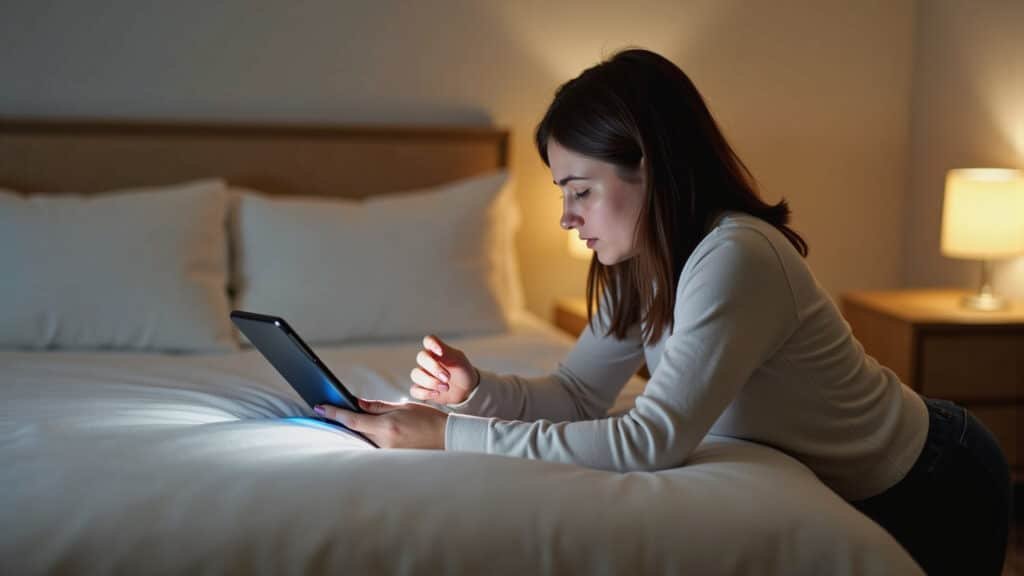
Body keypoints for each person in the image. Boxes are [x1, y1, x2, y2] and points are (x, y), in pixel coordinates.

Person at [315, 48, 1010, 574]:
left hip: (930, 482)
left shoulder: (737, 256)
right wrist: (476, 394)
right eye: (563, 192)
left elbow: (650, 440)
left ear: (648, 166)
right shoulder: (638, 265)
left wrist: (447, 437)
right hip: (862, 483)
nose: (566, 216)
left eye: (580, 190)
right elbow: (582, 393)